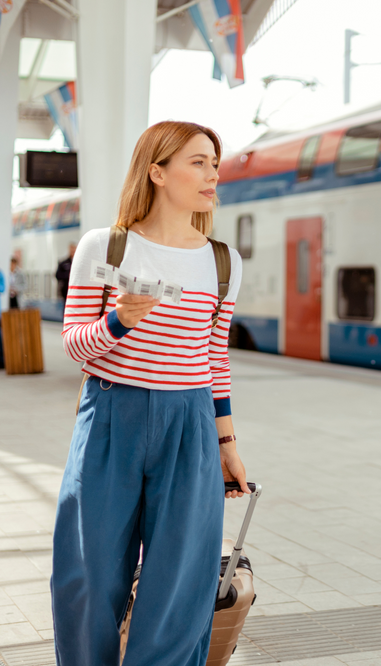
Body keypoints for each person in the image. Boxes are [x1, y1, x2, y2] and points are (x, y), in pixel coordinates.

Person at [50, 121, 249, 666]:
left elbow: (214, 358)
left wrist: (226, 440)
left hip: (190, 424)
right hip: (112, 414)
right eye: (198, 162)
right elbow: (75, 346)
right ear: (157, 172)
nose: (212, 175)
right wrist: (117, 321)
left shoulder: (224, 263)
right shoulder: (106, 245)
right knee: (88, 575)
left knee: (180, 581)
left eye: (214, 163)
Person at [55, 243, 77, 307]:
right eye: (71, 249)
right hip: (66, 291)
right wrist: (68, 275)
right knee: (66, 307)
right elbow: (57, 275)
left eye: (74, 249)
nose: (72, 251)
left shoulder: (79, 263)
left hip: (76, 290)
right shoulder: (64, 263)